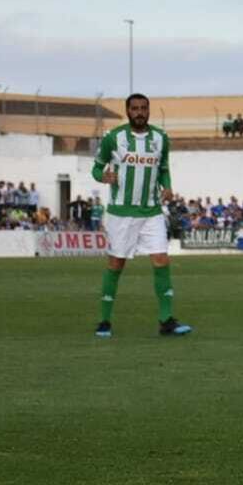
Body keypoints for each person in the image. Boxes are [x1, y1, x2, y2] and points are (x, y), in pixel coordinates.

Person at [90, 93, 192, 338]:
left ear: (149, 110)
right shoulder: (114, 139)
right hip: (121, 212)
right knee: (116, 264)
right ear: (127, 111)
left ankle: (166, 320)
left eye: (143, 108)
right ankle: (104, 320)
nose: (139, 112)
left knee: (161, 260)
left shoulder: (160, 138)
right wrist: (103, 176)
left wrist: (167, 186)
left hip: (151, 211)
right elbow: (96, 167)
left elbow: (164, 169)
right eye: (134, 108)